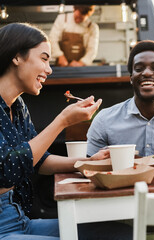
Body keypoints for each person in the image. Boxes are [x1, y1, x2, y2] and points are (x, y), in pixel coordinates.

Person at [0, 23, 132, 239]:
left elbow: (38, 160)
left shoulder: (18, 106)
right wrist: (61, 121)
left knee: (116, 232)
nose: (49, 69)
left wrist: (88, 161)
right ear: (17, 57)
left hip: (18, 219)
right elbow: (7, 171)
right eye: (44, 59)